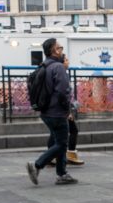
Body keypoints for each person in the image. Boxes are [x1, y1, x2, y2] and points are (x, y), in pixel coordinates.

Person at [26, 38, 78, 186]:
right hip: (57, 112)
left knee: (58, 141)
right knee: (62, 144)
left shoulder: (44, 65)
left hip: (46, 112)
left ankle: (62, 174)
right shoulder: (58, 67)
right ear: (55, 50)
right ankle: (36, 165)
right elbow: (63, 91)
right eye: (60, 47)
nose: (62, 50)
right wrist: (67, 110)